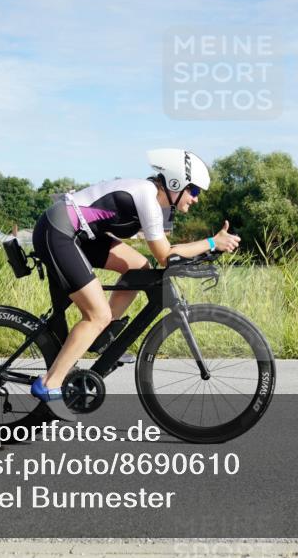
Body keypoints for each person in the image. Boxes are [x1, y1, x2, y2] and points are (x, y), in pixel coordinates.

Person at [29, 149, 241, 411]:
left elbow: (164, 255)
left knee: (138, 267)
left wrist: (208, 249)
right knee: (97, 315)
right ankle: (50, 382)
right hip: (59, 231)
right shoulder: (148, 199)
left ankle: (101, 336)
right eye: (194, 191)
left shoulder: (152, 199)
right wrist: (211, 242)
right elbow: (166, 255)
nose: (196, 199)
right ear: (176, 183)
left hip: (81, 233)